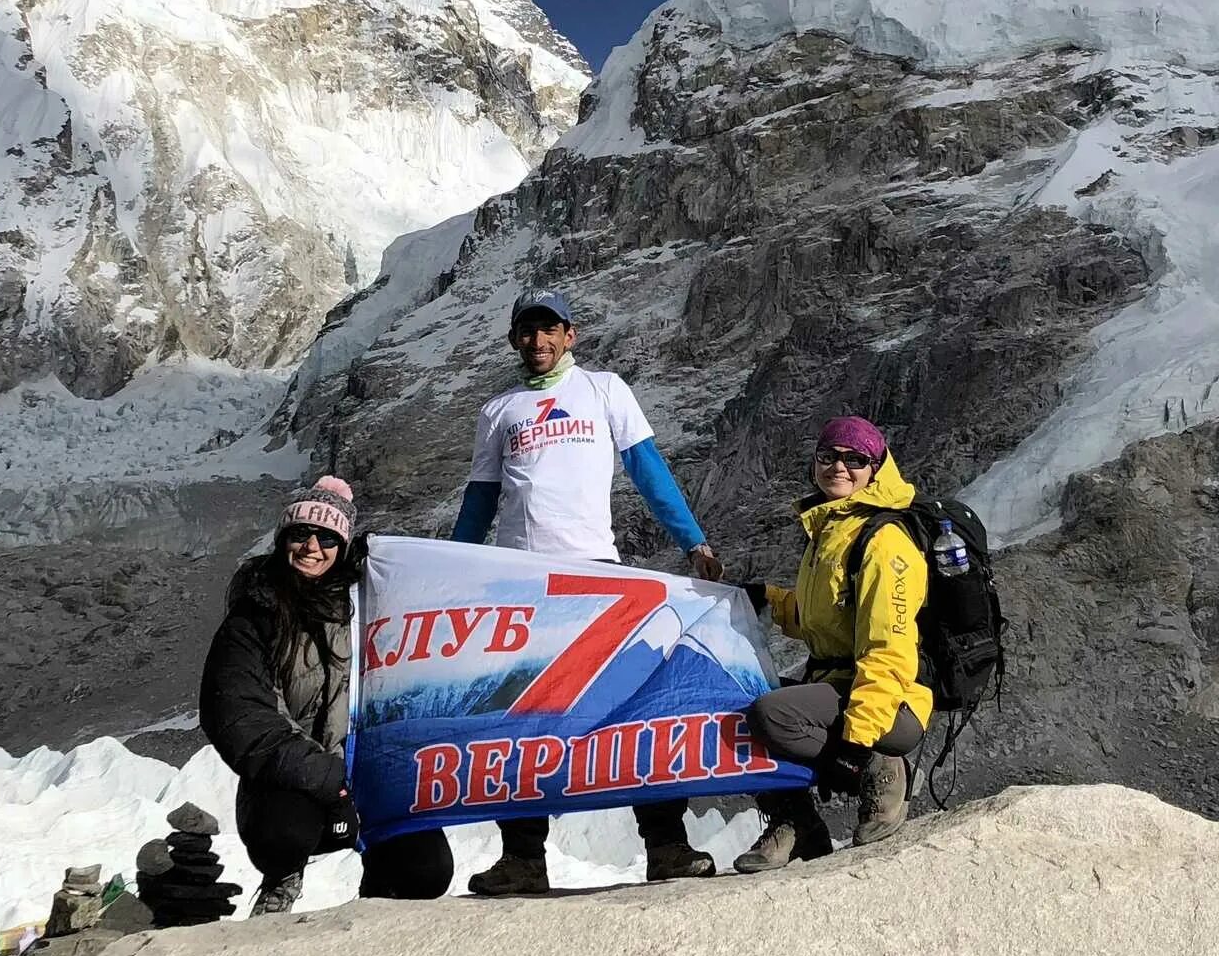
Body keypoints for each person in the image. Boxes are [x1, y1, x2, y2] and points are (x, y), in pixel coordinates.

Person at [451, 287, 726, 893]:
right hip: (520, 584)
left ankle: (668, 847)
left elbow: (649, 471)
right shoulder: (499, 411)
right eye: (526, 331)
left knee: (632, 707)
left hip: (598, 575)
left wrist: (694, 541)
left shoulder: (605, 390)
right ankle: (523, 858)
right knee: (522, 718)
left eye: (549, 330)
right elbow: (479, 501)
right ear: (513, 339)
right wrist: (454, 570)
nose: (537, 341)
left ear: (570, 334)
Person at [198, 475, 454, 913]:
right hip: (291, 778)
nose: (312, 547)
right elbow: (239, 714)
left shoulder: (371, 610)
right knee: (285, 833)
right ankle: (281, 880)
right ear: (283, 540)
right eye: (300, 533)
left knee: (426, 872)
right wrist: (330, 779)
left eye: (328, 537)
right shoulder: (254, 617)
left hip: (364, 773)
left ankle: (378, 890)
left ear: (344, 546)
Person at [734, 416, 936, 872]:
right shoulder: (832, 529)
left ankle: (884, 771)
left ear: (876, 468)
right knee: (735, 700)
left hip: (893, 703)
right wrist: (768, 601)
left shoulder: (884, 542)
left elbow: (888, 651)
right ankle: (797, 822)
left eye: (855, 459)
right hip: (840, 685)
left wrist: (858, 747)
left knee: (773, 714)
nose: (839, 467)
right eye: (828, 457)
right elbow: (821, 620)